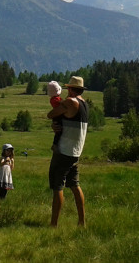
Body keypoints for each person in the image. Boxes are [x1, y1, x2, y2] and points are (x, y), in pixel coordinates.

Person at [47, 76, 89, 226]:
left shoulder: (70, 102)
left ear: (70, 89)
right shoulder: (84, 103)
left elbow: (51, 114)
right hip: (76, 151)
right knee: (74, 185)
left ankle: (53, 224)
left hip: (64, 150)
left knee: (58, 185)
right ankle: (81, 221)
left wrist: (54, 123)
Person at [47, 81, 63, 151]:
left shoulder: (53, 99)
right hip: (58, 116)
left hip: (56, 116)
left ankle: (55, 144)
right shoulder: (55, 99)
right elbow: (61, 104)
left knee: (58, 131)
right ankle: (55, 144)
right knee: (59, 131)